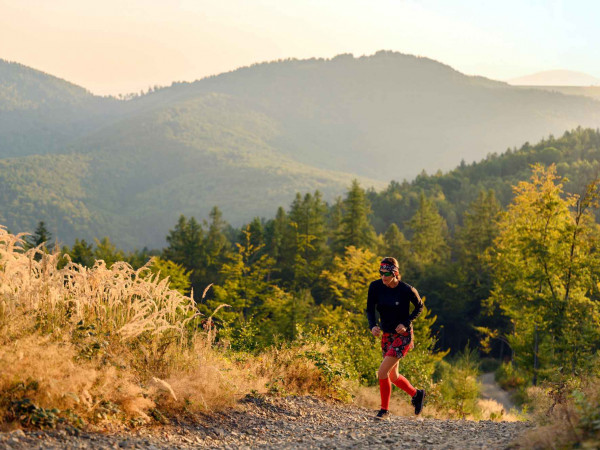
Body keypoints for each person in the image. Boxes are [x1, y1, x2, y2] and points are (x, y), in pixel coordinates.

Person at [366, 257, 425, 419]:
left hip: (403, 335)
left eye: (386, 273)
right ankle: (417, 394)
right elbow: (370, 310)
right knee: (393, 376)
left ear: (395, 273)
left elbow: (420, 306)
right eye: (381, 272)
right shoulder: (375, 287)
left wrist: (406, 323)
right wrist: (372, 325)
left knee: (382, 371)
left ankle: (384, 410)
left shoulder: (407, 290)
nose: (383, 276)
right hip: (387, 334)